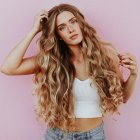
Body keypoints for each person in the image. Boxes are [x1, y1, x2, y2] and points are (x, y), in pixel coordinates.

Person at [0, 3, 138, 140]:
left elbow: (123, 97)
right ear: (58, 35)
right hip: (57, 135)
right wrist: (34, 30)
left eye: (73, 22)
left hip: (94, 136)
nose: (71, 29)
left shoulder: (106, 55)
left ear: (81, 23)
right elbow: (8, 68)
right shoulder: (50, 61)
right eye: (62, 27)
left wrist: (134, 74)